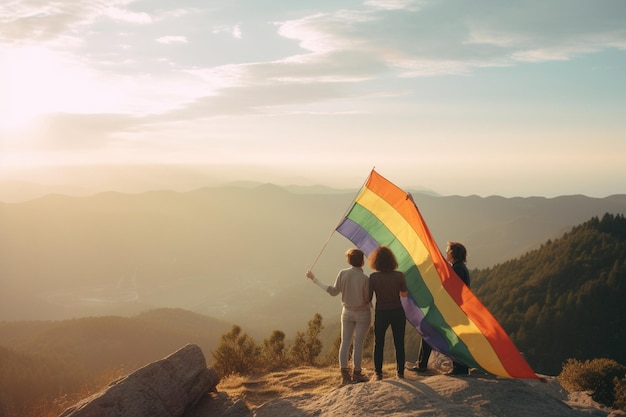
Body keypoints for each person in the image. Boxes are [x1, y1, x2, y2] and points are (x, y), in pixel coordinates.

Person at [306, 248, 371, 384]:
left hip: (346, 312)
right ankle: (357, 374)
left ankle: (345, 375)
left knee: (345, 343)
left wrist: (314, 279)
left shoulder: (343, 274)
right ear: (362, 262)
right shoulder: (365, 279)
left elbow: (333, 291)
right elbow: (367, 299)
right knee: (358, 344)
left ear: (349, 260)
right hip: (362, 314)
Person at [368, 246, 408, 380]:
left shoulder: (373, 277)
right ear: (392, 260)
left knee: (379, 343)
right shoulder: (399, 275)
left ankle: (378, 373)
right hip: (398, 311)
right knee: (399, 343)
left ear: (376, 261)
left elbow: (368, 298)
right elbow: (404, 293)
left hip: (381, 312)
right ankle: (400, 373)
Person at [445, 241, 471, 375]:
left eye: (448, 251)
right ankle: (460, 367)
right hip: (460, 308)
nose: (446, 253)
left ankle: (459, 368)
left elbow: (453, 289)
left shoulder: (457, 269)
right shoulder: (459, 267)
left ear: (453, 254)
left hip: (457, 309)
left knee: (457, 338)